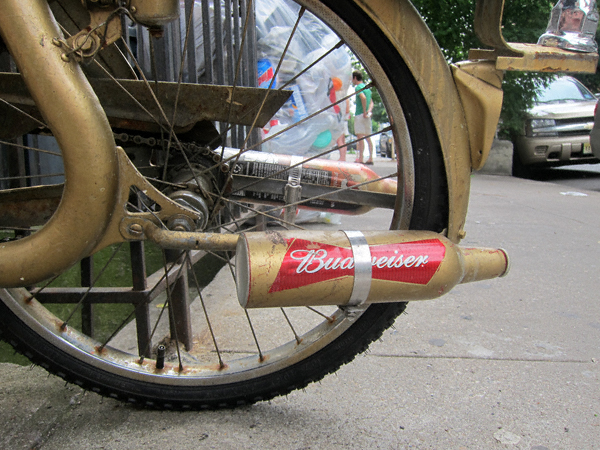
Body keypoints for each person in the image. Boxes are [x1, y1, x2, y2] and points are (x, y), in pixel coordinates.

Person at [351, 70, 374, 165]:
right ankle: (370, 158)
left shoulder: (358, 87)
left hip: (360, 114)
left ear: (355, 78)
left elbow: (363, 98)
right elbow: (371, 102)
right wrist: (368, 111)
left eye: (352, 78)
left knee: (360, 137)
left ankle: (360, 158)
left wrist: (364, 111)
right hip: (367, 116)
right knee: (368, 137)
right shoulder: (367, 89)